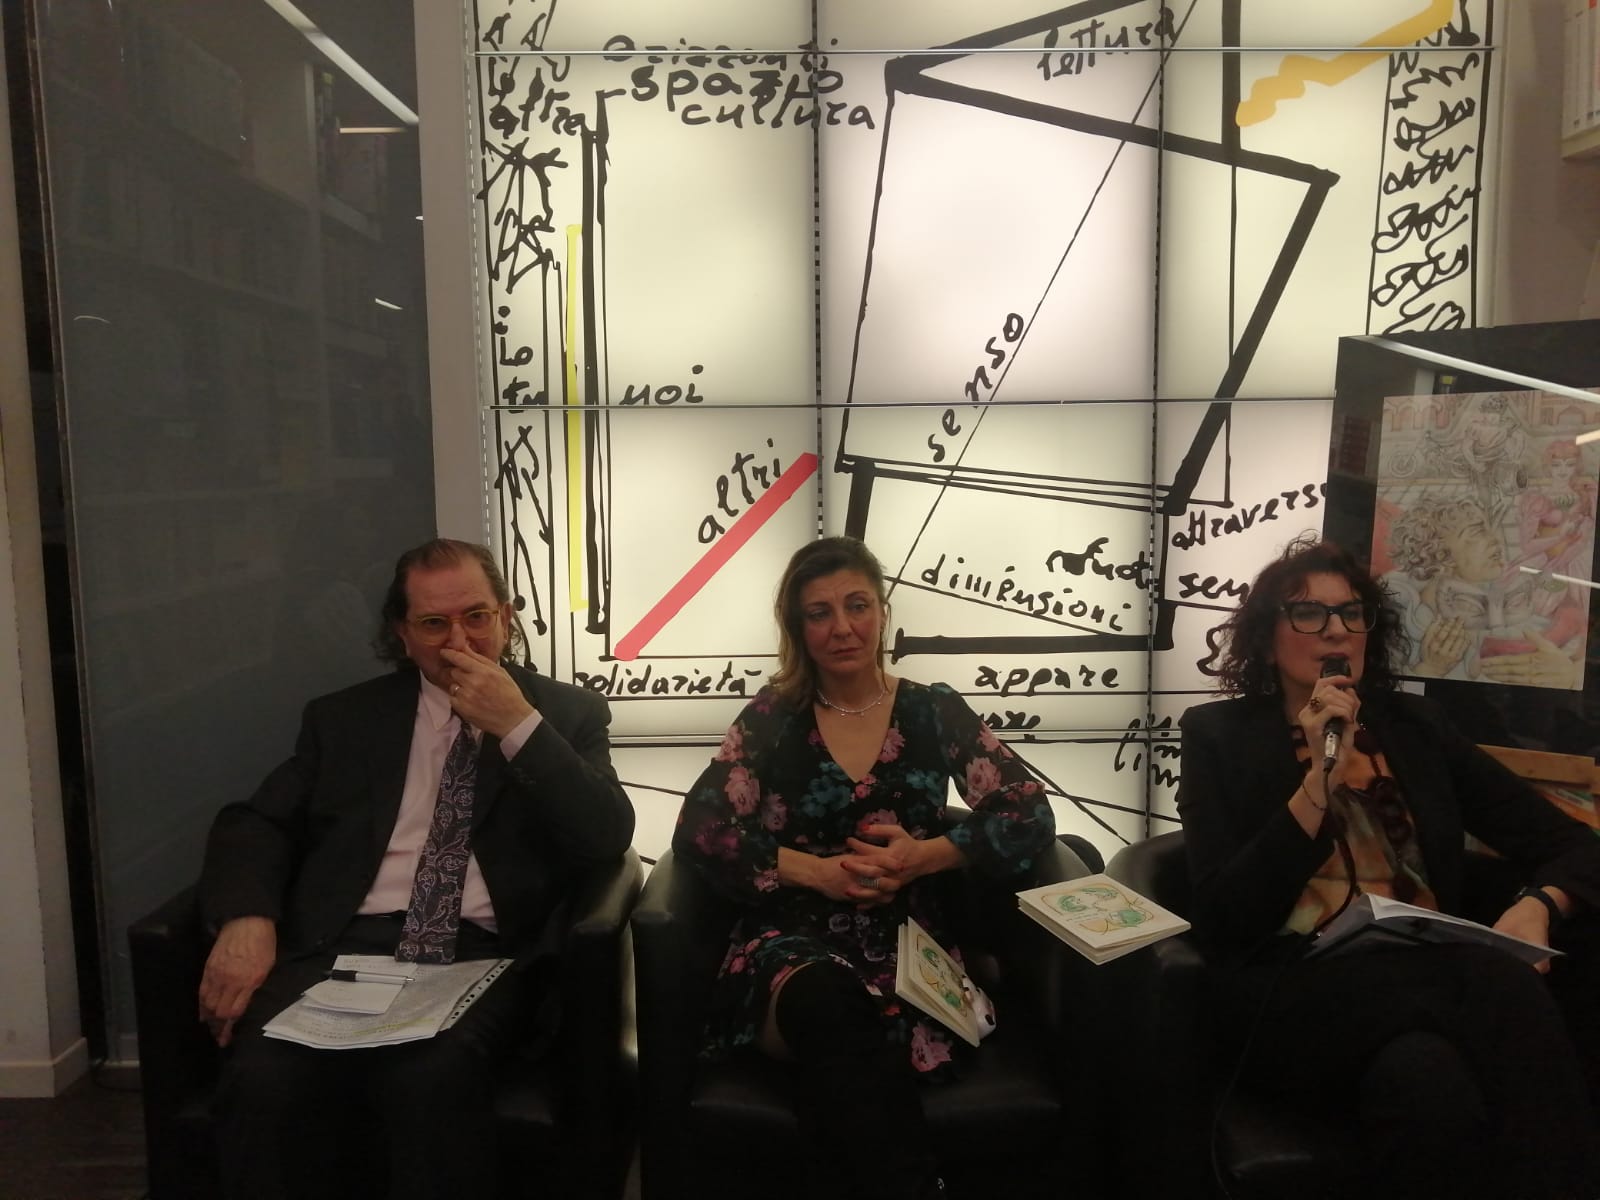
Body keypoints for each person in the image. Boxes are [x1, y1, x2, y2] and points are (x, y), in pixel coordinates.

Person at [196, 537, 634, 1200]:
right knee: (264, 1078)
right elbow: (255, 822)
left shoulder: (567, 715)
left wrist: (518, 726)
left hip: (480, 954)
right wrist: (246, 918)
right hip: (346, 949)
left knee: (427, 1078)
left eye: (476, 617)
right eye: (434, 623)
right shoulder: (345, 720)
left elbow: (606, 837)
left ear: (506, 618)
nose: (459, 640)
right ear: (402, 634)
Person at [1179, 532, 1600, 1199]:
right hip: (1290, 995)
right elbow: (1226, 918)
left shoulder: (1416, 727)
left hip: (1425, 984)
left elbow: (1571, 843)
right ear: (1265, 640)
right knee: (1497, 983)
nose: (1335, 630)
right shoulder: (1217, 738)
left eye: (1351, 613)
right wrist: (1318, 782)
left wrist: (1538, 905)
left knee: (1425, 1080)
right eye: (1308, 613)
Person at [672, 536, 1056, 1199]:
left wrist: (925, 856)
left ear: (881, 611)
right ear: (798, 627)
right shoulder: (772, 716)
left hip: (907, 945)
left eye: (857, 605)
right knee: (830, 1006)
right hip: (792, 941)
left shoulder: (932, 709)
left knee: (849, 1064)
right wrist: (815, 872)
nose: (842, 627)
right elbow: (701, 830)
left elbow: (1028, 810)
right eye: (819, 613)